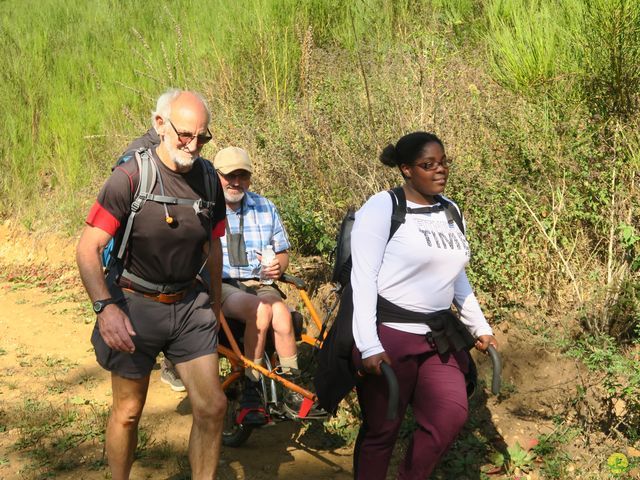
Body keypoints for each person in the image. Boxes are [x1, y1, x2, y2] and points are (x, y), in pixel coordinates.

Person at [76, 89, 227, 480]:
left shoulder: (210, 180)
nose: (192, 146)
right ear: (160, 125)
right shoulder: (130, 177)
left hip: (189, 303)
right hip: (133, 303)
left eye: (202, 137)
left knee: (212, 407)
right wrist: (104, 308)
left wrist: (216, 303)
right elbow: (88, 248)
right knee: (127, 412)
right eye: (185, 135)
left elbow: (214, 242)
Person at [350, 131, 498, 479]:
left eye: (443, 162)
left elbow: (456, 275)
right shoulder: (383, 207)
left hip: (438, 335)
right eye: (428, 165)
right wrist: (368, 344)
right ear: (406, 169)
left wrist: (479, 325)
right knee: (382, 430)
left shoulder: (450, 210)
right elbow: (363, 279)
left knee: (451, 414)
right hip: (390, 335)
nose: (440, 170)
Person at [212, 146, 303, 424]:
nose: (236, 182)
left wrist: (279, 266)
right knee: (261, 310)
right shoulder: (207, 208)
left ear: (250, 178)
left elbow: (283, 251)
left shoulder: (265, 206)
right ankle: (251, 389)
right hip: (225, 285)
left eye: (242, 175)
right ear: (217, 176)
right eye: (230, 176)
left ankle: (291, 387)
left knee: (283, 313)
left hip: (260, 282)